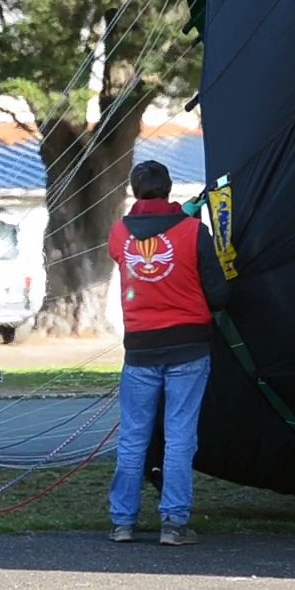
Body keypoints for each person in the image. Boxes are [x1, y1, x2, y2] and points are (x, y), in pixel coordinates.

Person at [105, 160, 229, 546]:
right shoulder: (195, 231)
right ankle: (174, 523)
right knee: (180, 437)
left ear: (134, 189)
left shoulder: (119, 233)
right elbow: (220, 293)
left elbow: (143, 241)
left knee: (133, 438)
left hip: (140, 350)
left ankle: (122, 522)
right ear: (169, 188)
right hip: (189, 348)